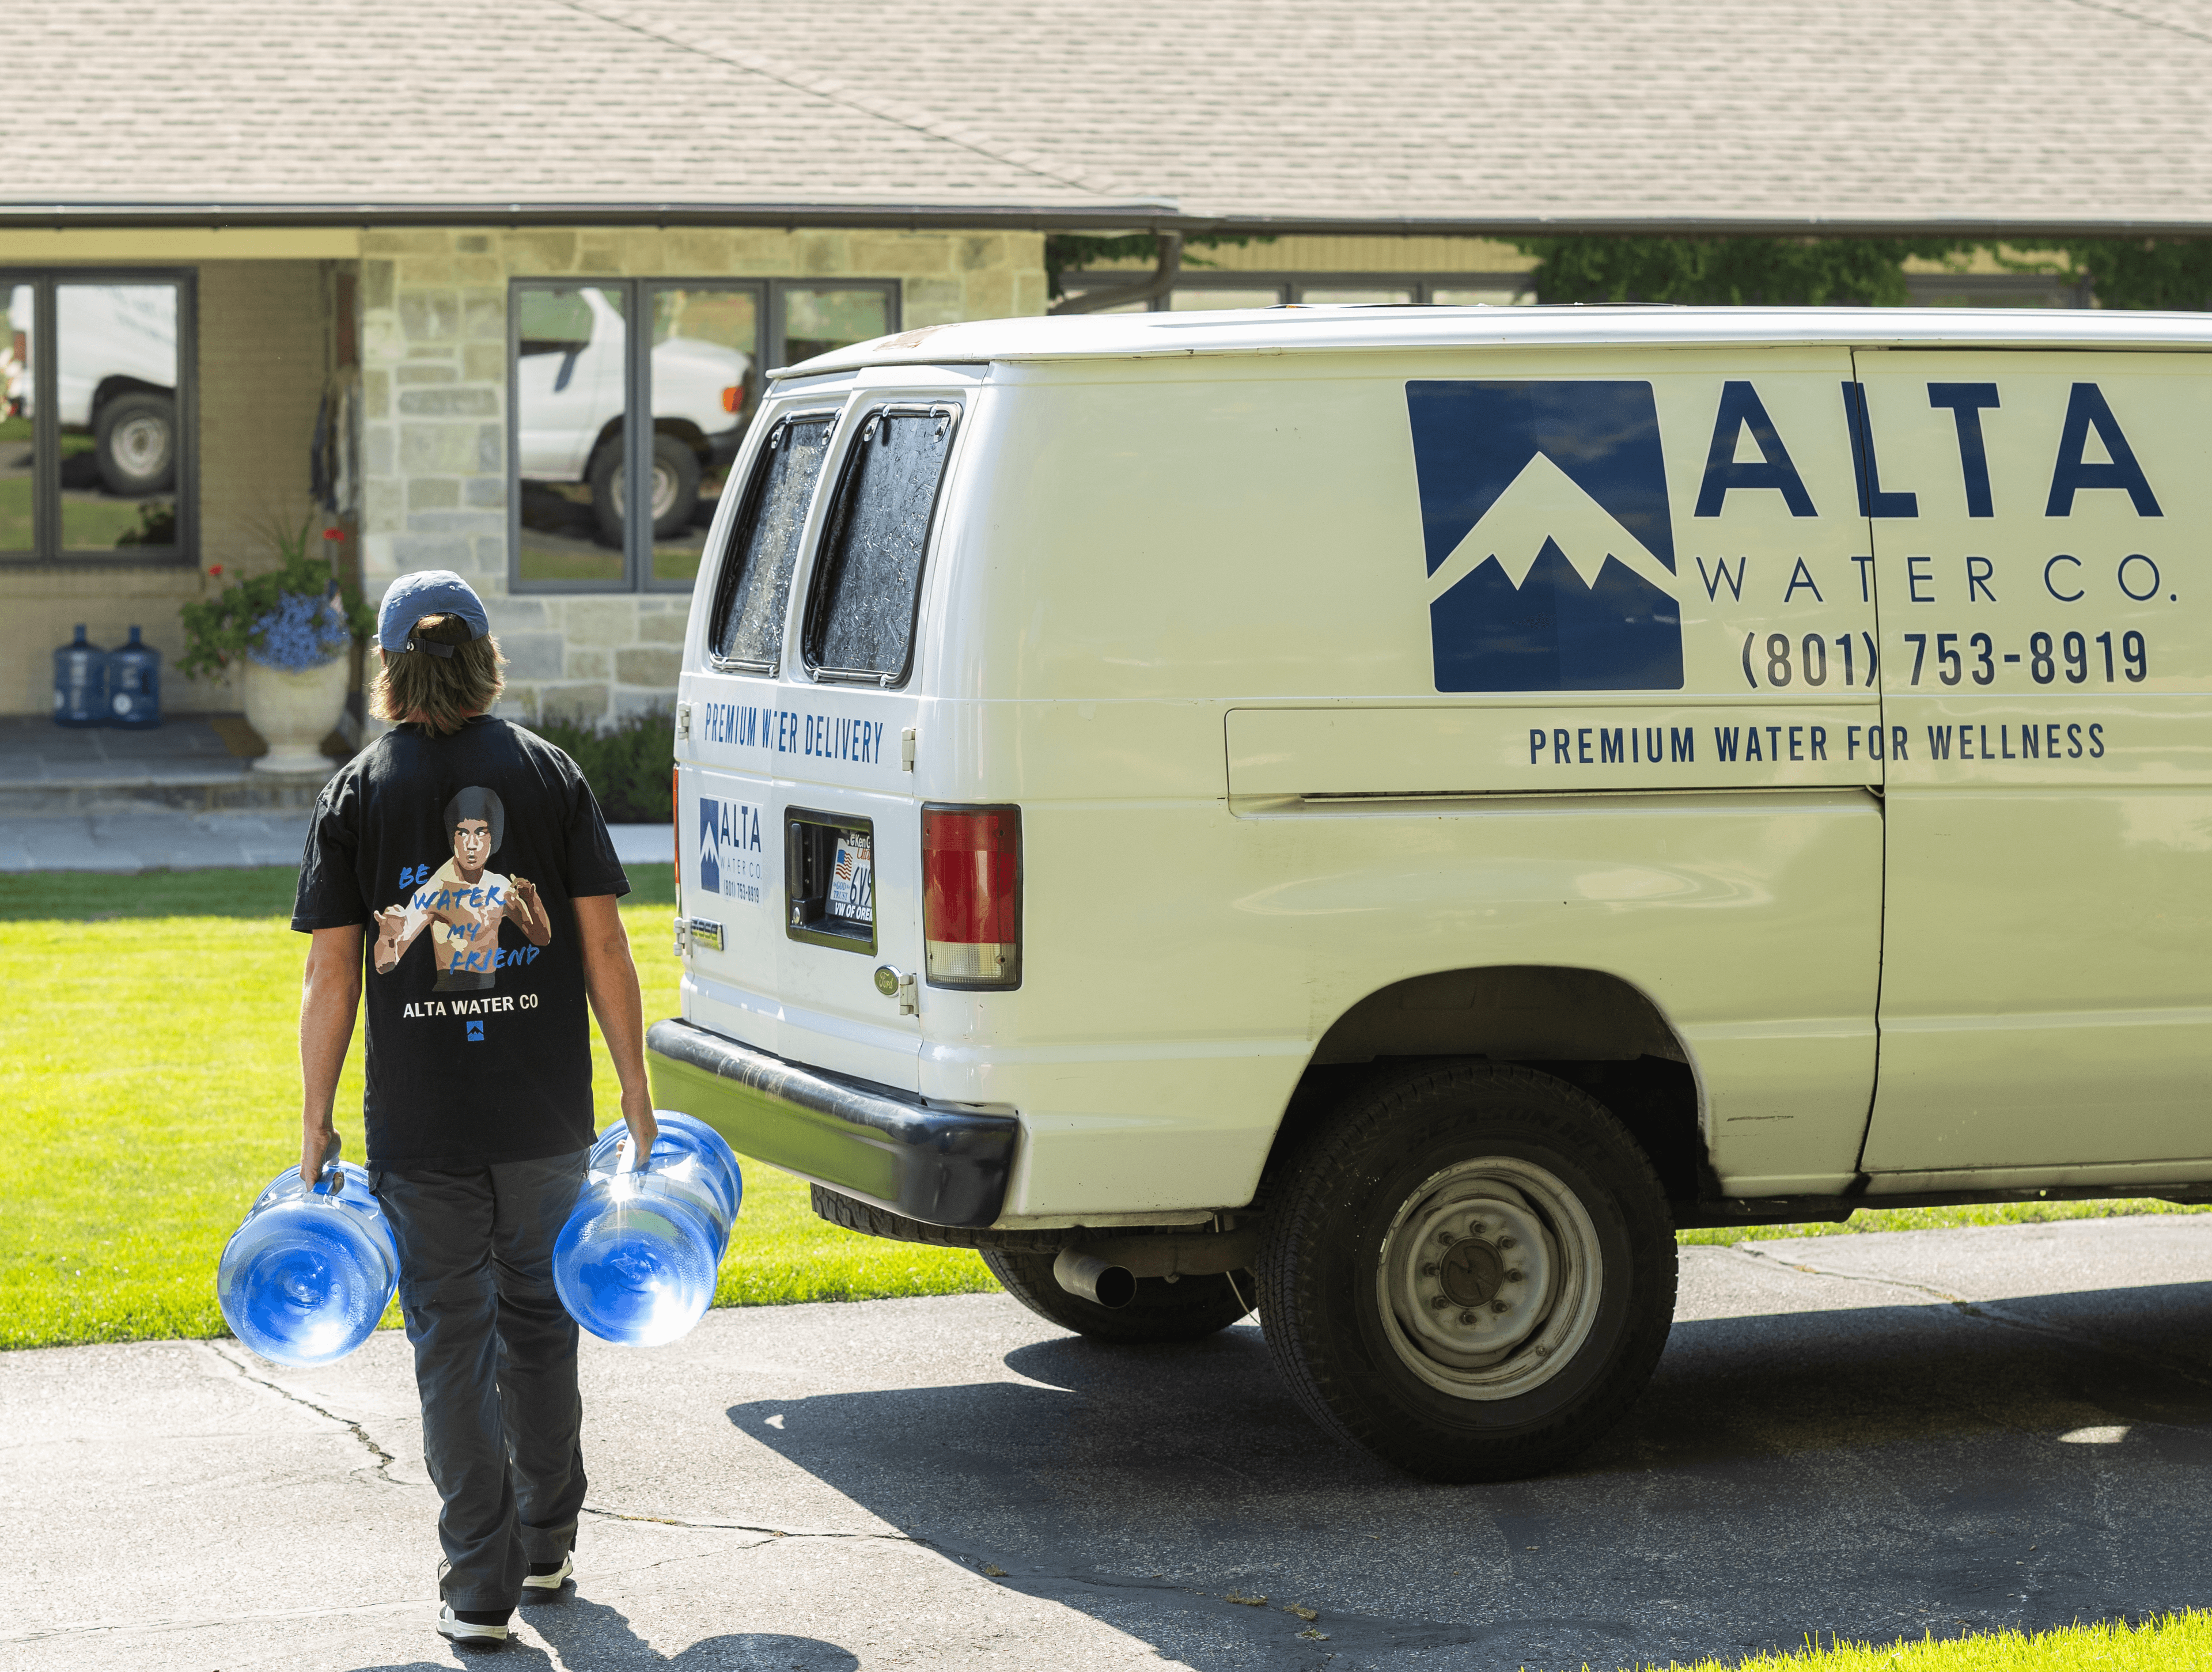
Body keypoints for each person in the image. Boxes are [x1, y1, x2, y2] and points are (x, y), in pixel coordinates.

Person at [290, 569, 656, 1648]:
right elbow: (605, 944)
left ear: (390, 667)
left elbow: (332, 973)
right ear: (486, 658)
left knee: (453, 1342)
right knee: (540, 1324)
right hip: (544, 1117)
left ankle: (477, 1587)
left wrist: (314, 1119)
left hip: (424, 1126)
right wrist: (636, 1090)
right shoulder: (549, 774)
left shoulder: (359, 788)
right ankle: (546, 1542)